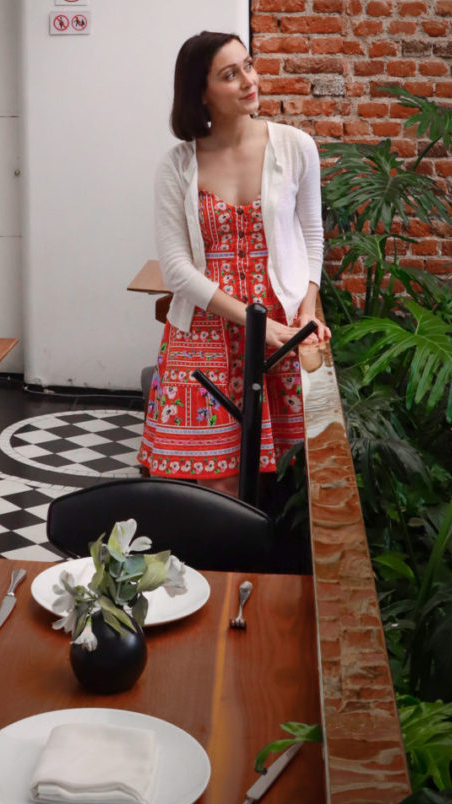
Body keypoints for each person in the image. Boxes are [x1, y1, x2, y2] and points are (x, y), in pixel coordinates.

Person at [139, 31, 330, 495]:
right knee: (214, 483)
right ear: (200, 92)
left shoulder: (296, 146)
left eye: (249, 65)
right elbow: (177, 268)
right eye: (231, 74)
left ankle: (263, 568)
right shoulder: (177, 165)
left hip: (280, 324)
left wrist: (307, 308)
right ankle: (215, 568)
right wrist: (248, 319)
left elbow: (311, 235)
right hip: (204, 327)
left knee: (285, 476)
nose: (249, 80)